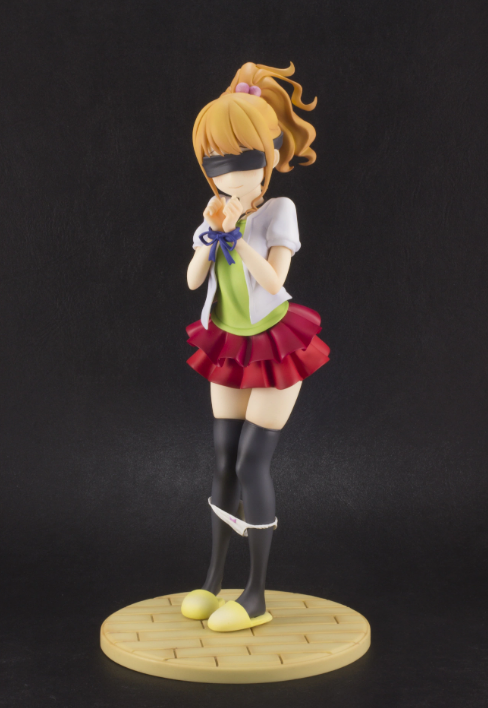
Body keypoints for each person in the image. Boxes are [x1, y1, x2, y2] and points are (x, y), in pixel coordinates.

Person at [181, 62, 330, 632]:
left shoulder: (278, 210)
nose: (231, 177)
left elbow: (275, 282)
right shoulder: (215, 212)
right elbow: (193, 280)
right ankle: (211, 580)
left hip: (275, 344)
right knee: (222, 459)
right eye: (216, 165)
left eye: (243, 162)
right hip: (226, 342)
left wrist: (238, 235)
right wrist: (210, 236)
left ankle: (256, 595)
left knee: (250, 462)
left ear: (268, 158)